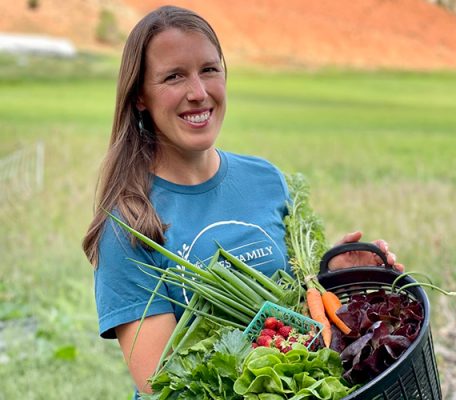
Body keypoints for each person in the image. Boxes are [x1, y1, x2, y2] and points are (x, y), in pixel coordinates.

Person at [82, 5, 404, 397]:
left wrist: (331, 276)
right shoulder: (129, 227)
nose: (198, 93)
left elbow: (292, 301)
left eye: (209, 69)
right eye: (173, 77)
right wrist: (279, 357)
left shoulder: (265, 179)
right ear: (139, 97)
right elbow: (166, 386)